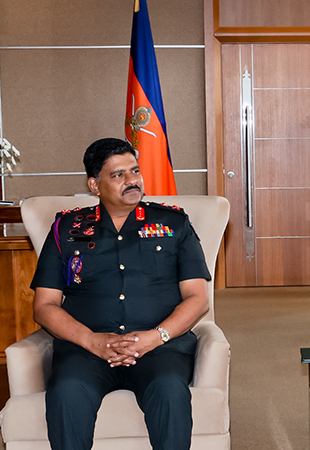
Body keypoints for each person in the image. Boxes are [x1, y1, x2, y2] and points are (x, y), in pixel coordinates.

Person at [31, 138, 211, 450]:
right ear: (94, 185)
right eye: (118, 175)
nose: (132, 180)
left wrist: (154, 337)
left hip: (159, 348)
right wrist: (92, 341)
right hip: (85, 350)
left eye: (135, 171)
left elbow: (198, 298)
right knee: (67, 392)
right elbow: (44, 305)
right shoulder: (66, 228)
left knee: (169, 390)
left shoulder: (173, 223)